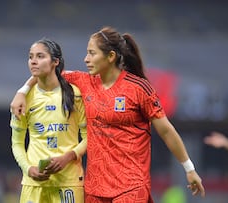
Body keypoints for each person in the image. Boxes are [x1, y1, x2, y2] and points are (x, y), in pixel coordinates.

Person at [11, 26, 205, 202]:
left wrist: (189, 168)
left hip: (131, 185)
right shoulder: (85, 82)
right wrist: (23, 91)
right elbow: (45, 71)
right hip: (96, 187)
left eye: (92, 53)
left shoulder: (138, 88)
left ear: (111, 56)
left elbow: (166, 131)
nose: (86, 59)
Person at [10, 38, 87, 203]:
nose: (33, 61)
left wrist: (67, 157)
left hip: (68, 182)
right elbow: (17, 143)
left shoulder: (75, 95)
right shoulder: (22, 100)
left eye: (40, 56)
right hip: (33, 184)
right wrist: (28, 169)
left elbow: (89, 137)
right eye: (31, 57)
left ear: (55, 62)